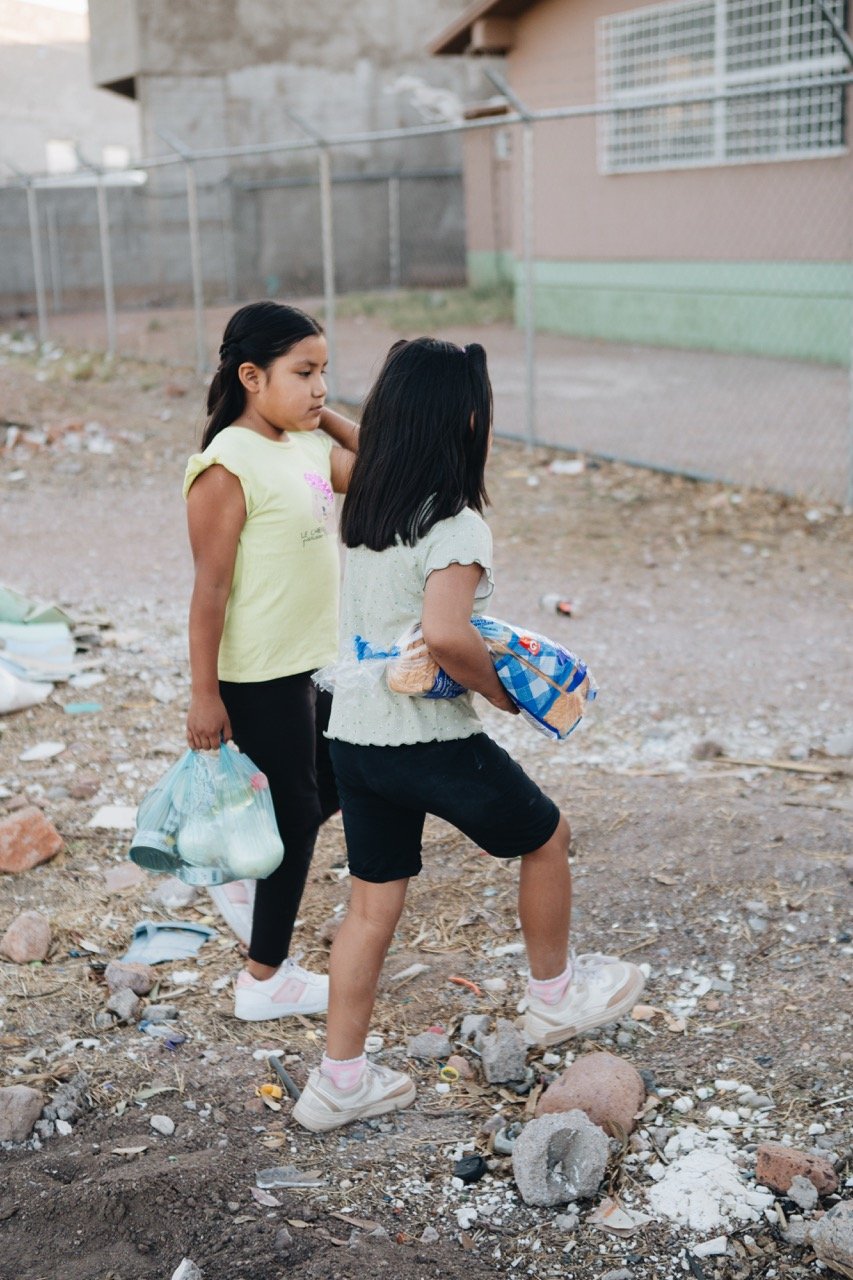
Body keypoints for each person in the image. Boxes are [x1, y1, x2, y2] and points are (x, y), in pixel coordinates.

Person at [292, 337, 645, 1132]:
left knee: (370, 910)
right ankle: (555, 998)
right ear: (468, 422)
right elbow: (447, 635)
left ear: (388, 425)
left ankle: (338, 1081)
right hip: (426, 738)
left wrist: (348, 417)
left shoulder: (368, 503)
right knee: (545, 836)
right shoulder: (453, 524)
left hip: (355, 737)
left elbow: (368, 443)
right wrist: (498, 693)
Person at [184, 300, 358, 1022]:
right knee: (301, 805)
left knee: (347, 774)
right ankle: (265, 976)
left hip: (321, 659)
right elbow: (209, 590)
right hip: (259, 672)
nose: (319, 388)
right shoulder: (225, 464)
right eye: (304, 372)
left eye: (325, 372)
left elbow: (388, 462)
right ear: (251, 376)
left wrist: (325, 411)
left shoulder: (307, 443)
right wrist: (203, 695)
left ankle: (238, 869)